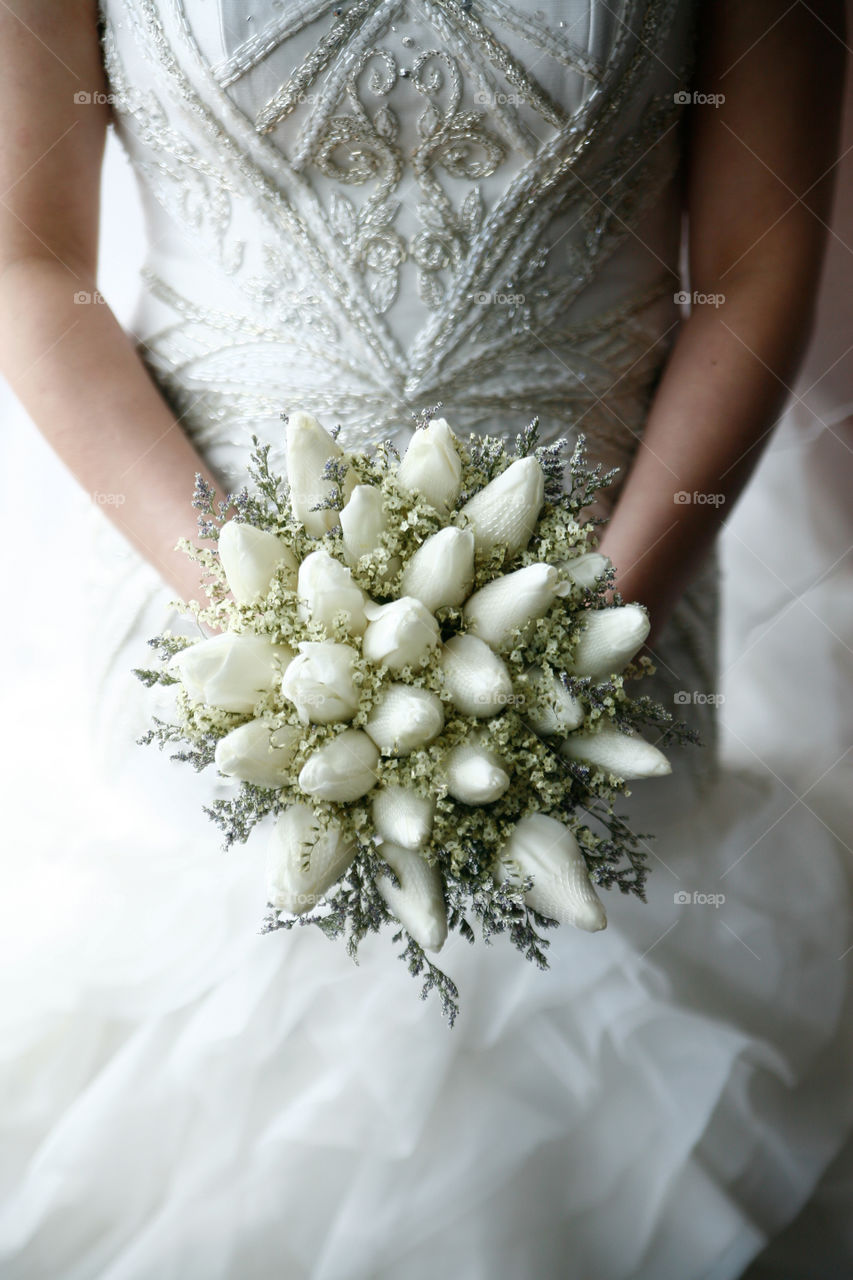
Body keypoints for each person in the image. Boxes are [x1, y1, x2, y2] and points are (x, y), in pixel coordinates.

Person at [0, 3, 851, 1277]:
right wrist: (263, 625)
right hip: (194, 606)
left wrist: (597, 626)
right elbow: (29, 257)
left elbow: (763, 256)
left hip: (617, 613)